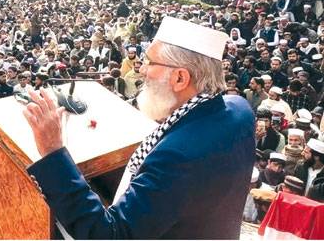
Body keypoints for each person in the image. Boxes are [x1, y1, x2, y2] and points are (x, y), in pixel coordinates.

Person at [22, 16, 254, 238]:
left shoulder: (176, 158)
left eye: (151, 62)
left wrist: (53, 151)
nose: (141, 69)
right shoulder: (240, 109)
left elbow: (108, 236)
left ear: (180, 79)